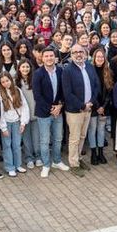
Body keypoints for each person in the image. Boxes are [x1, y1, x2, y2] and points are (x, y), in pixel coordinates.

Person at [62, 44, 101, 177]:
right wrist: (82, 105)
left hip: (88, 108)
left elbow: (96, 85)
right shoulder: (67, 70)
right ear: (71, 55)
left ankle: (78, 158)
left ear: (85, 53)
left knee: (82, 136)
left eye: (81, 52)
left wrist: (91, 102)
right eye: (75, 52)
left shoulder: (90, 67)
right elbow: (68, 93)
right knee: (74, 138)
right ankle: (73, 164)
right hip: (75, 111)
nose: (78, 54)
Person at [31, 48, 68, 177]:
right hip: (44, 112)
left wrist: (60, 105)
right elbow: (37, 96)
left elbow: (64, 90)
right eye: (46, 56)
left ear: (55, 57)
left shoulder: (60, 71)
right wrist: (51, 109)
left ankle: (56, 161)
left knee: (58, 138)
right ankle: (46, 164)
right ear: (42, 58)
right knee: (45, 140)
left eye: (51, 55)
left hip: (58, 111)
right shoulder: (38, 73)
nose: (49, 58)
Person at [0, 71, 30, 176]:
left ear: (11, 80)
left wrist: (23, 122)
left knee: (17, 144)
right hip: (6, 123)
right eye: (3, 82)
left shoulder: (17, 91)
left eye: (7, 80)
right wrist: (3, 128)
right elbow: (0, 112)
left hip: (16, 121)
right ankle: (9, 167)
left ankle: (18, 165)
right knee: (7, 145)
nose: (6, 83)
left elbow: (24, 106)